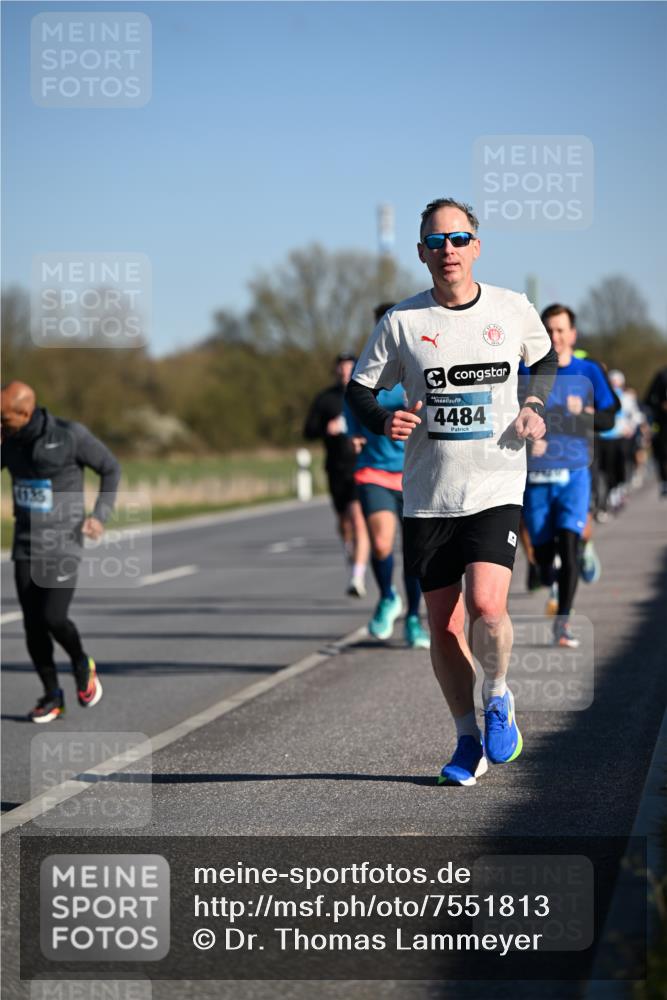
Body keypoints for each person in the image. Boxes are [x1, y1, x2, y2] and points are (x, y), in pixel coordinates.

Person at [347, 197, 557, 786]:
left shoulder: (512, 309)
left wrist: (534, 404)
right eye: (436, 243)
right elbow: (360, 391)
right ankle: (467, 741)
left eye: (459, 239)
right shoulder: (401, 322)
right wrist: (383, 419)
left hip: (496, 479)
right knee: (442, 625)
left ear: (476, 246)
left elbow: (543, 358)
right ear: (421, 253)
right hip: (428, 495)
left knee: (488, 606)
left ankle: (497, 693)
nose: (448, 251)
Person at [1, 381, 120, 722]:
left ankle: (82, 662)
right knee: (32, 625)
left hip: (63, 541)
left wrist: (99, 516)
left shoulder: (70, 435)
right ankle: (52, 695)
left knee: (53, 617)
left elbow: (110, 468)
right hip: (26, 543)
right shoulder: (7, 440)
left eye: (3, 418)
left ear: (24, 413)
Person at [519, 306, 619, 646]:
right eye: (548, 330)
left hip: (575, 473)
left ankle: (562, 623)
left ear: (572, 335)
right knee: (544, 561)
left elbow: (609, 419)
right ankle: (556, 574)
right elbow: (506, 416)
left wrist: (584, 416)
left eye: (560, 330)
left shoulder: (588, 371)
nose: (554, 337)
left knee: (569, 543)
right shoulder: (526, 371)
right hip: (536, 479)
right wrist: (524, 441)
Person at [344, 303, 430, 650]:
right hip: (374, 471)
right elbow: (353, 406)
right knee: (381, 543)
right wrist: (355, 434)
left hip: (415, 472)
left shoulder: (420, 361)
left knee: (414, 553)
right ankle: (387, 597)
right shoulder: (367, 371)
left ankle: (413, 617)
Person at [303, 353, 369, 596]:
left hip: (360, 467)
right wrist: (325, 428)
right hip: (335, 468)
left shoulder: (364, 395)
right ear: (336, 371)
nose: (345, 373)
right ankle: (348, 549)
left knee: (358, 518)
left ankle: (358, 577)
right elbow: (307, 431)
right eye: (341, 369)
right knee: (344, 522)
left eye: (349, 369)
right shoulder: (325, 399)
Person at [643, 365, 667, 497]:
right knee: (662, 452)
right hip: (662, 423)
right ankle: (664, 481)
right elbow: (648, 400)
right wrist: (661, 406)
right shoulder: (662, 375)